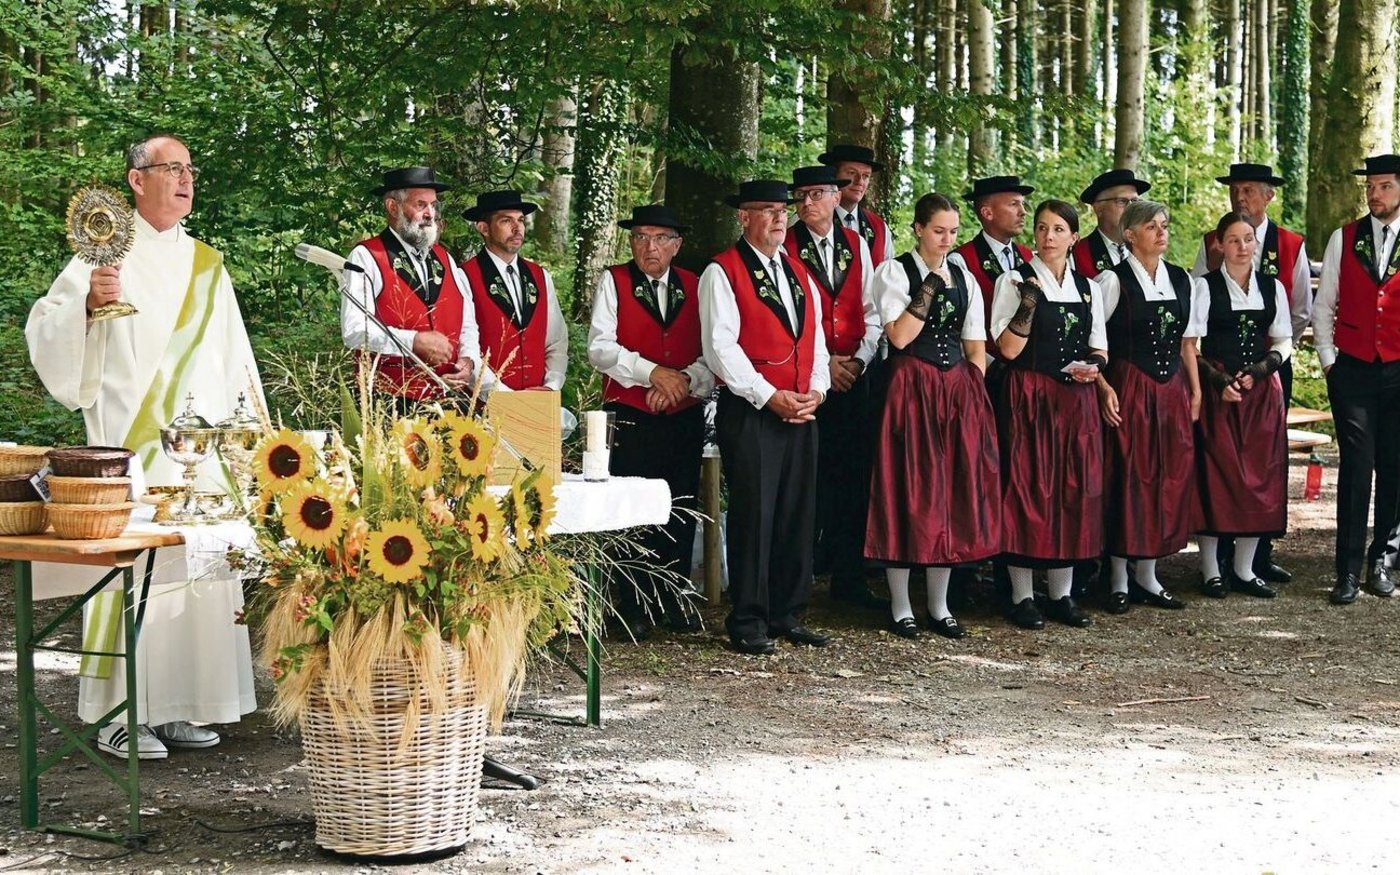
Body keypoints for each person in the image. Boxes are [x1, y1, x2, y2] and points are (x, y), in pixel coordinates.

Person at [26, 134, 262, 759]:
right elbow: (44, 328)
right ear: (136, 180)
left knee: (196, 573)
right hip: (128, 446)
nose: (185, 180)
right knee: (127, 576)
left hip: (202, 453)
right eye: (171, 169)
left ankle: (183, 705)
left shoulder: (209, 263)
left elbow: (234, 357)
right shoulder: (105, 251)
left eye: (190, 169)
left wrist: (253, 438)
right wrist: (84, 305)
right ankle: (117, 716)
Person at [700, 179, 832, 655]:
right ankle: (749, 617)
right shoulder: (723, 271)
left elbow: (816, 341)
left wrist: (817, 389)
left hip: (801, 406)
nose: (781, 219)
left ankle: (788, 612)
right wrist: (767, 394)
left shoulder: (799, 272)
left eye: (783, 211)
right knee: (756, 511)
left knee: (798, 510)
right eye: (768, 211)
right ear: (744, 217)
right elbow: (720, 347)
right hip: (754, 408)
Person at [865, 193, 1000, 639]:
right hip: (910, 389)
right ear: (919, 228)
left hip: (955, 392)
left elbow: (975, 342)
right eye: (938, 231)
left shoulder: (965, 276)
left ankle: (939, 606)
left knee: (948, 491)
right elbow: (901, 337)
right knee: (907, 489)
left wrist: (971, 386)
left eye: (953, 232)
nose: (946, 240)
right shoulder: (895, 272)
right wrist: (930, 285)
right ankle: (901, 605)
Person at [587, 204, 714, 637]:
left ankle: (674, 596)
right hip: (630, 413)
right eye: (641, 237)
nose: (650, 246)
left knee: (679, 505)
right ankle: (633, 605)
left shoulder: (697, 286)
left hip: (682, 414)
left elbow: (713, 351)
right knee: (631, 507)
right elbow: (600, 348)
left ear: (677, 245)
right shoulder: (615, 281)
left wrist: (682, 380)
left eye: (660, 238)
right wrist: (650, 374)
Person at [989, 199, 1108, 629]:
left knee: (1071, 489)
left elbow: (1099, 345)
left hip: (1074, 401)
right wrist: (1029, 303)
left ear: (1074, 237)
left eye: (1058, 229)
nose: (1048, 236)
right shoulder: (1014, 279)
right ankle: (1022, 596)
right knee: (1028, 489)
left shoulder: (1088, 286)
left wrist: (1092, 367)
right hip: (1030, 397)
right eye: (1041, 228)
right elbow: (1007, 348)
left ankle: (1061, 593)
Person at [1191, 162, 1310, 585]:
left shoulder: (1279, 268)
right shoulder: (1205, 281)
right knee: (1215, 473)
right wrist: (1219, 380)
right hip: (1218, 385)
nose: (1242, 246)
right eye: (1234, 240)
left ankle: (1247, 567)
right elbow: (1193, 339)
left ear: (1268, 196)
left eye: (1248, 240)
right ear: (1222, 244)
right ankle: (1211, 568)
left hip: (1261, 386)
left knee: (1259, 474)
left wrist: (1260, 372)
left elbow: (1292, 325)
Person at [782, 165, 882, 608]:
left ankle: (850, 581)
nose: (807, 204)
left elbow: (871, 310)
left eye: (816, 195)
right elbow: (789, 321)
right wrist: (827, 364)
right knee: (808, 483)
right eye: (800, 196)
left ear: (836, 197)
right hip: (809, 382)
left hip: (854, 378)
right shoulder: (785, 248)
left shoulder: (857, 244)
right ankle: (799, 584)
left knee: (854, 478)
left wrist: (860, 360)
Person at [1093, 200, 1199, 613]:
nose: (1161, 232)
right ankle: (1119, 579)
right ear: (1130, 234)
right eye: (1151, 226)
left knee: (1164, 475)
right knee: (1128, 474)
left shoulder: (1181, 280)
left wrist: (1196, 392)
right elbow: (1091, 340)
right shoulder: (1111, 281)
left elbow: (1188, 344)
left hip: (1170, 388)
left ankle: (1149, 576)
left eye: (1164, 225)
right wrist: (1102, 387)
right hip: (1129, 386)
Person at [1313, 154, 1400, 604]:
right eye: (1370, 187)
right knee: (1355, 470)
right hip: (1354, 371)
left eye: (1384, 186)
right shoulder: (1343, 238)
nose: (1374, 194)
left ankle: (1381, 561)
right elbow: (1324, 304)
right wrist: (1330, 362)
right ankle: (1345, 571)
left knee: (1393, 470)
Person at [342, 166, 481, 409]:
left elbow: (467, 322)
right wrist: (412, 341)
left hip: (450, 399)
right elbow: (354, 331)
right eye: (420, 205)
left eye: (433, 205)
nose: (430, 214)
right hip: (389, 402)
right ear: (393, 207)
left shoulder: (445, 258)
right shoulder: (366, 255)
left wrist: (468, 361)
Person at [460, 190, 567, 391]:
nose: (517, 228)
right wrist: (503, 395)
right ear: (484, 228)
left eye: (521, 220)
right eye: (506, 221)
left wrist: (551, 385)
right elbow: (466, 348)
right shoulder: (464, 276)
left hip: (538, 403)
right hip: (485, 407)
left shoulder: (540, 276)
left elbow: (556, 342)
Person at [820, 144, 894, 265]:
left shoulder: (880, 227)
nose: (860, 181)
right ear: (833, 176)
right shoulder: (812, 219)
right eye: (852, 173)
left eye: (866, 176)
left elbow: (888, 277)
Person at [1073, 169, 1151, 279]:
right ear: (1099, 208)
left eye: (1135, 201)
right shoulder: (1078, 254)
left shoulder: (1147, 251)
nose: (1131, 208)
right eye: (1122, 201)